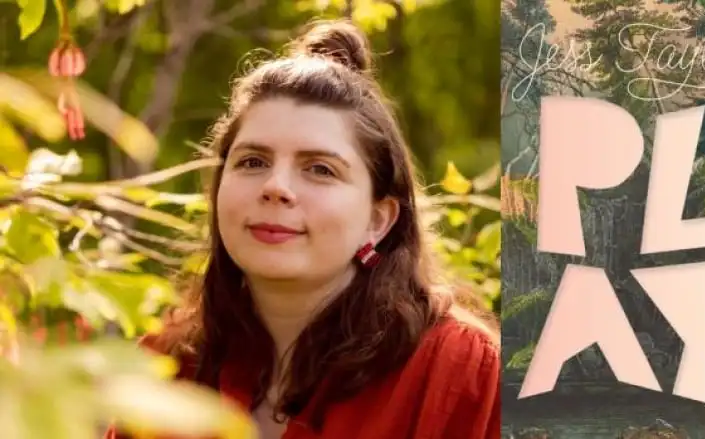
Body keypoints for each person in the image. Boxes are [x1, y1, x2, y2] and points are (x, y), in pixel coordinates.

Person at [104, 18, 500, 439]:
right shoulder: (167, 370)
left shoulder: (463, 375)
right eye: (253, 162)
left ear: (377, 219)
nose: (276, 187)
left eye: (319, 169)